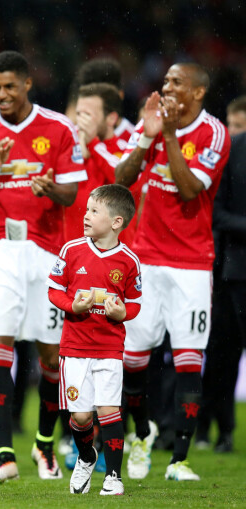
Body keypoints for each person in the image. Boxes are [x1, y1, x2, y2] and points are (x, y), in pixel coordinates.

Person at [0, 50, 86, 481]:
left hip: (46, 251)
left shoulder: (57, 128)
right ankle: (3, 455)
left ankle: (44, 446)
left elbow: (72, 195)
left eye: (10, 86)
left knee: (51, 354)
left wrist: (50, 188)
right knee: (0, 342)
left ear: (28, 84)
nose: (2, 94)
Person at [115, 62, 231, 481]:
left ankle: (179, 460)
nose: (166, 88)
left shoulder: (212, 133)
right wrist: (146, 138)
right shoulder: (152, 125)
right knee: (133, 361)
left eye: (176, 82)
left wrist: (166, 135)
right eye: (165, 81)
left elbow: (189, 188)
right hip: (145, 259)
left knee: (187, 360)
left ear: (197, 93)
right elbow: (121, 180)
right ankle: (140, 437)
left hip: (191, 266)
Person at [49, 184, 141, 496]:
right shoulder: (71, 251)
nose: (85, 216)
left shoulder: (128, 261)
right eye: (86, 210)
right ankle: (87, 457)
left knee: (108, 410)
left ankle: (114, 476)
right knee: (80, 416)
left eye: (94, 211)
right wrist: (71, 306)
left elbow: (136, 302)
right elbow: (54, 290)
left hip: (110, 349)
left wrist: (122, 313)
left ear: (116, 222)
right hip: (74, 348)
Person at [196, 126, 246, 453]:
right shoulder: (235, 148)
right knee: (224, 356)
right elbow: (216, 210)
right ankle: (222, 430)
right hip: (237, 272)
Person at [64, 83, 125, 244]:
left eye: (88, 115)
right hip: (68, 254)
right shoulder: (68, 146)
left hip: (111, 257)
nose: (81, 121)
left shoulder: (127, 152)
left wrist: (93, 144)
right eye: (79, 114)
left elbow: (123, 181)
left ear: (111, 118)